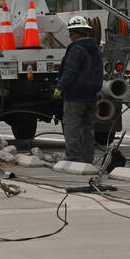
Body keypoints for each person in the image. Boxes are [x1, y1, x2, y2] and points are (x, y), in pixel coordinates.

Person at [54, 15, 104, 164]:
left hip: (75, 96)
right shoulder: (95, 48)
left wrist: (59, 87)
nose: (69, 36)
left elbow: (70, 72)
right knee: (88, 128)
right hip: (91, 95)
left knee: (72, 126)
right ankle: (88, 159)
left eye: (70, 33)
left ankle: (73, 158)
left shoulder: (76, 49)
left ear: (75, 33)